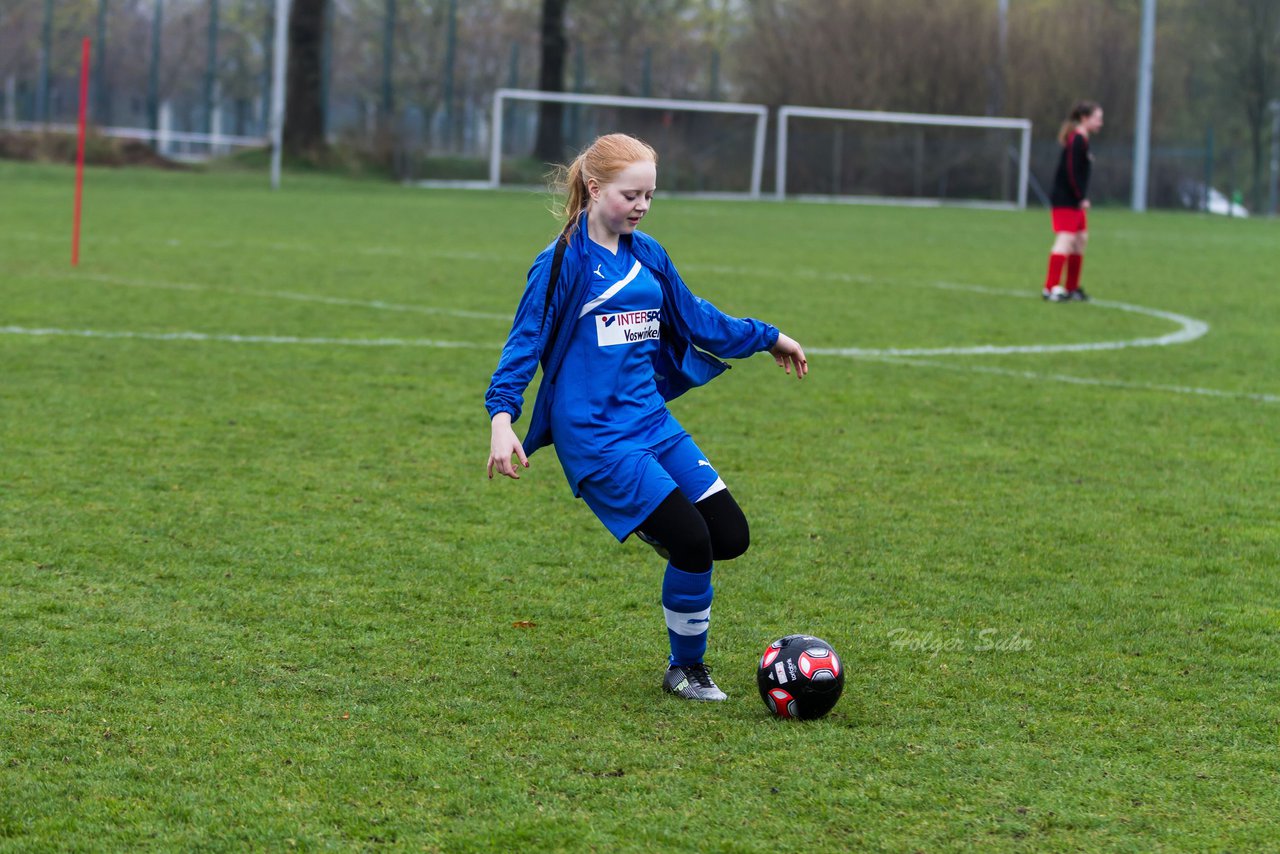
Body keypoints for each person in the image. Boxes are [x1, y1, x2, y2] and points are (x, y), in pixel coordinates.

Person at [485, 133, 808, 702]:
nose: (641, 206)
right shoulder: (563, 263)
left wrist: (768, 337)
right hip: (597, 438)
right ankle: (685, 669)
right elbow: (524, 344)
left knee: (729, 536)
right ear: (593, 189)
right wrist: (502, 418)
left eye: (650, 196)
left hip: (651, 424)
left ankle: (668, 532)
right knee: (693, 544)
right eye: (631, 194)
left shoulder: (647, 253)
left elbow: (698, 318)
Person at [1043, 100, 1103, 303]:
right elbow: (1070, 172)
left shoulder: (1083, 140)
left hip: (1074, 200)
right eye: (1097, 118)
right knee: (1065, 240)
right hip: (1066, 200)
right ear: (1085, 119)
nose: (1100, 122)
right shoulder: (1076, 140)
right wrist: (1080, 198)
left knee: (1080, 239)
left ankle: (1071, 288)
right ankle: (1050, 288)